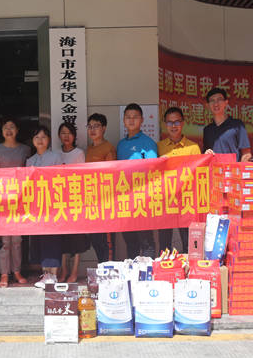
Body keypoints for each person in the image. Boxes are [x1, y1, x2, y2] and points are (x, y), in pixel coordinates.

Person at [0, 117, 31, 288]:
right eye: (5, 127)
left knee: (17, 239)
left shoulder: (25, 149)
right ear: (1, 131)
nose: (9, 130)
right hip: (1, 198)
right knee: (4, 239)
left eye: (12, 127)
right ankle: (4, 273)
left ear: (17, 130)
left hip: (20, 198)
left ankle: (17, 270)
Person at [157, 107, 201, 253]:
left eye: (177, 122)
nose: (173, 126)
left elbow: (199, 173)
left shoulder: (193, 147)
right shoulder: (159, 147)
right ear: (165, 124)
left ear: (183, 123)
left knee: (188, 241)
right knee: (164, 242)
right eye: (170, 122)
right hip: (165, 200)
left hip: (186, 201)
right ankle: (165, 266)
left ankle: (189, 266)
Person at [116, 103, 157, 259]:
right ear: (123, 120)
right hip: (125, 200)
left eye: (135, 117)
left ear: (142, 120)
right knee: (130, 240)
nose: (131, 120)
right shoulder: (121, 144)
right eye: (128, 117)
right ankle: (132, 271)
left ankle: (149, 272)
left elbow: (153, 171)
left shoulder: (148, 143)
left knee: (146, 241)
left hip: (142, 199)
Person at [26, 126, 63, 289]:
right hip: (36, 205)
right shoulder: (30, 160)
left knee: (52, 239)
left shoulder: (56, 157)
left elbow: (61, 178)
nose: (40, 140)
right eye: (37, 137)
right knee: (40, 240)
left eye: (43, 137)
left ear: (49, 140)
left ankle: (53, 275)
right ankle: (44, 274)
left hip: (53, 204)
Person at [57, 122, 89, 283]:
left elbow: (82, 176)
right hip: (59, 201)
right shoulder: (55, 154)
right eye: (63, 133)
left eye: (69, 133)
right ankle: (64, 270)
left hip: (76, 199)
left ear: (74, 136)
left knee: (77, 237)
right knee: (61, 237)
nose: (66, 136)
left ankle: (75, 271)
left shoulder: (79, 153)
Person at [85, 113, 117, 263]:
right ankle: (102, 267)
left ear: (104, 128)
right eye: (90, 126)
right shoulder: (89, 148)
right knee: (96, 239)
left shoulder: (108, 148)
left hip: (105, 201)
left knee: (107, 240)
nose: (92, 130)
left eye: (96, 126)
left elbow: (111, 175)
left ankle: (108, 269)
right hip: (92, 202)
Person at [202, 87, 252, 162]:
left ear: (226, 102)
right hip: (215, 169)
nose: (216, 104)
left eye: (219, 99)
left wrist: (239, 168)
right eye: (212, 100)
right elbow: (205, 154)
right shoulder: (207, 130)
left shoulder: (237, 125)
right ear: (207, 105)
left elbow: (246, 154)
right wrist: (206, 154)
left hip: (233, 169)